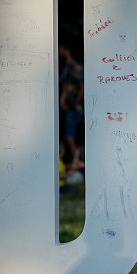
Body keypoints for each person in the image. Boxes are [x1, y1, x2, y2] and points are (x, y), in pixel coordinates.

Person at [59, 43, 84, 178]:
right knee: (65, 137)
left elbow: (82, 86)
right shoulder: (65, 67)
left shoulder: (75, 67)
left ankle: (76, 163)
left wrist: (75, 102)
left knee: (70, 137)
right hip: (67, 107)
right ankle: (71, 164)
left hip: (74, 108)